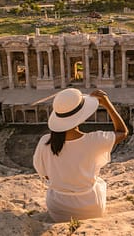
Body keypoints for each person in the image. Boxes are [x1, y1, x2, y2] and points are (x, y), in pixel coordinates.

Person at [33, 88, 128, 222]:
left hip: (58, 208)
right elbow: (123, 132)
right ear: (81, 116)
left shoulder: (45, 142)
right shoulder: (95, 140)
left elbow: (44, 173)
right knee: (99, 183)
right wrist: (107, 104)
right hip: (90, 207)